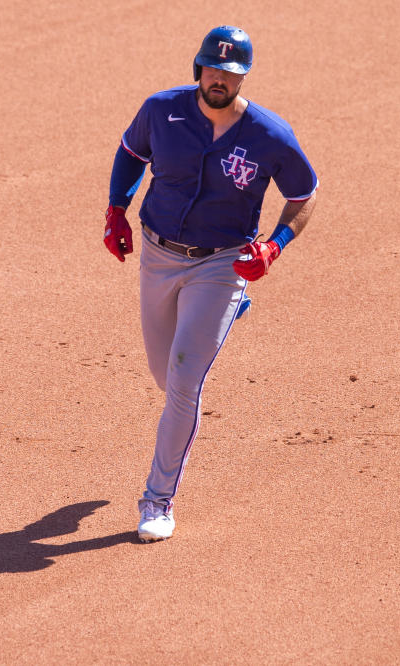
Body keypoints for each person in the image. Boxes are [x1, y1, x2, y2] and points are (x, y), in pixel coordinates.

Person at [103, 25, 318, 542]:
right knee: (164, 374)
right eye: (213, 68)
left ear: (243, 77)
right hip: (158, 255)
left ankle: (157, 500)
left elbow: (304, 194)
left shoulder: (271, 136)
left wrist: (275, 244)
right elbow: (132, 154)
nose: (220, 78)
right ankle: (222, 314)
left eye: (232, 71)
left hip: (222, 264)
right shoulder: (162, 110)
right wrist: (117, 210)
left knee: (182, 380)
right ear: (198, 66)